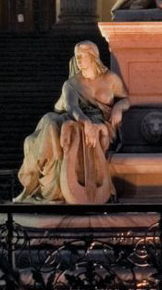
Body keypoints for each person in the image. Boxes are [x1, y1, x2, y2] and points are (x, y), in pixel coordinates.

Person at [15, 42, 129, 204]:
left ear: (93, 56)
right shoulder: (72, 84)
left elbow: (126, 99)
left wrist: (118, 107)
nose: (79, 61)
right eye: (77, 57)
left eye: (82, 56)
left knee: (70, 128)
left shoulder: (110, 78)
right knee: (50, 121)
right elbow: (71, 106)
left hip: (102, 121)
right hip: (77, 117)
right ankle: (48, 177)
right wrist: (85, 121)